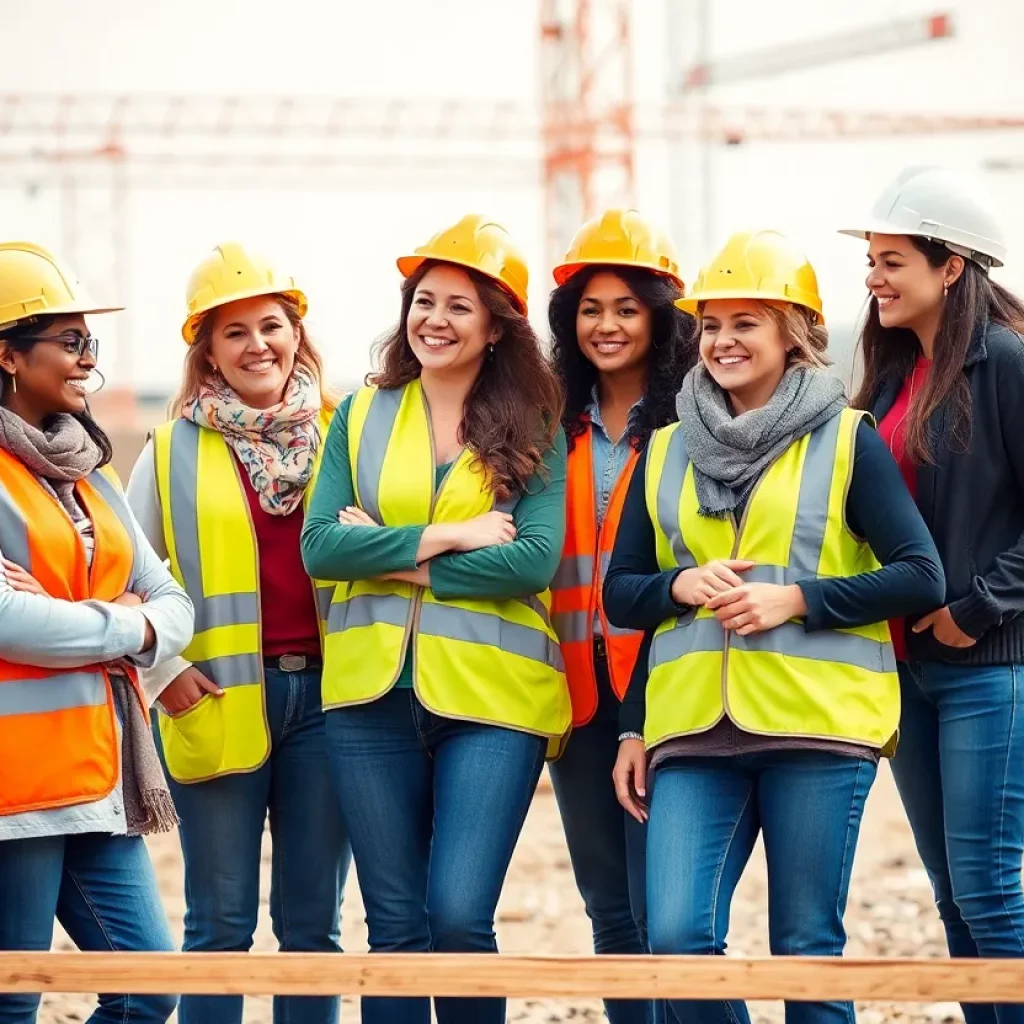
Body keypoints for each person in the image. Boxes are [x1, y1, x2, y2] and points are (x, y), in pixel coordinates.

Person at [606, 229, 945, 1024]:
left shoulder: (846, 441)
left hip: (816, 729)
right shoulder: (662, 452)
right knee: (680, 945)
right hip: (691, 732)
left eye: (745, 323)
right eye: (712, 325)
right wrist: (678, 584)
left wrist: (797, 601)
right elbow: (622, 597)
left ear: (793, 335)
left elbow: (919, 574)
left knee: (806, 951)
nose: (722, 341)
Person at [301, 214, 570, 1024]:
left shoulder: (537, 422)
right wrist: (448, 538)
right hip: (368, 699)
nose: (435, 319)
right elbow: (320, 547)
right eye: (424, 300)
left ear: (496, 325)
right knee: (394, 929)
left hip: (494, 701)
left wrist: (380, 552)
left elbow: (531, 562)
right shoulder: (360, 413)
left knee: (456, 917)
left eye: (459, 305)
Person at [126, 243, 350, 1024]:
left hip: (331, 701)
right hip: (214, 698)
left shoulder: (347, 433)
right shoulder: (168, 450)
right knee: (218, 926)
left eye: (272, 326)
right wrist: (166, 673)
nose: (258, 344)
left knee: (313, 930)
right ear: (208, 352)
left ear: (297, 335)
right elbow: (125, 578)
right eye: (235, 332)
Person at [844, 166, 1024, 1024]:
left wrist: (978, 608)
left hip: (989, 665)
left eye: (891, 260)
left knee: (990, 889)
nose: (874, 277)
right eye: (871, 261)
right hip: (907, 669)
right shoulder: (888, 381)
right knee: (953, 893)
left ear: (952, 266)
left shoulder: (1008, 365)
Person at [0, 241, 194, 1024]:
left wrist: (121, 624)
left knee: (151, 992)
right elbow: (11, 622)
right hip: (14, 789)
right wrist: (131, 625)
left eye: (91, 344)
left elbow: (174, 604)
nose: (88, 360)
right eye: (70, 342)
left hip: (98, 780)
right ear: (9, 355)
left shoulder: (90, 472)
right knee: (13, 1002)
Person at [547, 208, 696, 1024]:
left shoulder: (695, 424)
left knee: (665, 914)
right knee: (608, 906)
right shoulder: (545, 425)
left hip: (668, 684)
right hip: (572, 691)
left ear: (660, 315)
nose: (606, 325)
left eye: (627, 308)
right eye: (591, 309)